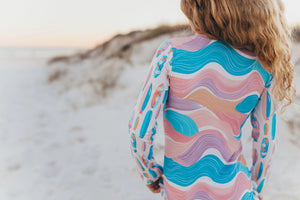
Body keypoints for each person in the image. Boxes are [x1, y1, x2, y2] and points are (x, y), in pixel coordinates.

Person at [128, 0, 296, 199]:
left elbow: (138, 132)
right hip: (236, 190)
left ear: (196, 8)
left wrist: (150, 174)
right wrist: (257, 187)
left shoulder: (171, 53)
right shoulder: (262, 66)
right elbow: (267, 140)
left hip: (180, 191)